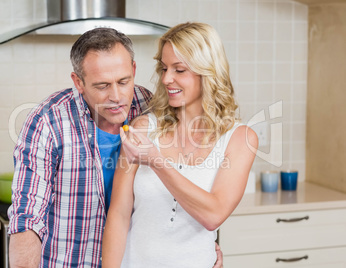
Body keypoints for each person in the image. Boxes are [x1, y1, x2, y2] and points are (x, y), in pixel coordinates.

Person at [7, 27, 224, 267]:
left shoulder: (150, 107)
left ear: (133, 70)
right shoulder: (49, 121)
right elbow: (27, 216)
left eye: (123, 81)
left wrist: (201, 249)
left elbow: (179, 187)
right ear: (78, 82)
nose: (117, 96)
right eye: (102, 86)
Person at [102, 22, 258, 267]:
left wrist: (155, 160)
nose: (166, 79)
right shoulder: (143, 129)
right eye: (164, 68)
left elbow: (213, 215)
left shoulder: (240, 138)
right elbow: (119, 216)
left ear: (207, 71)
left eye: (179, 70)